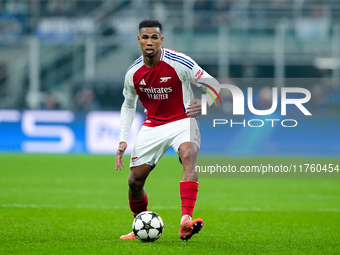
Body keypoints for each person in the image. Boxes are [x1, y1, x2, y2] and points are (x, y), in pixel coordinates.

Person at [115, 19, 220, 241]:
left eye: (154, 37)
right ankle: (139, 224)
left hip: (183, 120)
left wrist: (205, 103)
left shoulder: (179, 62)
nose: (150, 41)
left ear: (162, 40)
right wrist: (123, 139)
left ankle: (185, 220)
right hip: (153, 125)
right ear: (139, 40)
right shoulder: (133, 73)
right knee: (134, 181)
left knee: (189, 154)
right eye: (145, 37)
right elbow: (128, 104)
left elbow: (213, 84)